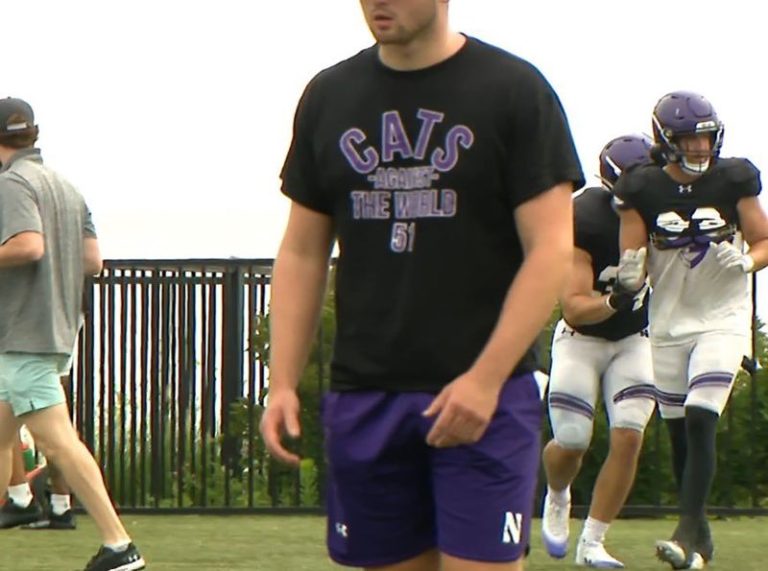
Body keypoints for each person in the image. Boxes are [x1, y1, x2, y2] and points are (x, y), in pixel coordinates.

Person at [259, 1, 584, 570]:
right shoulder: (330, 95)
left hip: (485, 398)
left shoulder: (514, 90)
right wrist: (282, 381)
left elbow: (551, 251)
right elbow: (303, 251)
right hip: (367, 393)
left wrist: (484, 380)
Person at [614, 91, 768, 569]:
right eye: (688, 139)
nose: (700, 148)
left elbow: (764, 240)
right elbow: (633, 261)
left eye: (704, 137)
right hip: (670, 322)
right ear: (665, 141)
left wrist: (746, 261)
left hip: (722, 318)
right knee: (680, 433)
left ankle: (685, 530)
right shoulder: (641, 188)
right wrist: (627, 276)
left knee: (703, 416)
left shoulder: (734, 178)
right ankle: (698, 544)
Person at [0, 97, 145, 571]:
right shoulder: (65, 187)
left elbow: (27, 245)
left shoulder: (12, 183)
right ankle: (19, 501)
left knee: (59, 441)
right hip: (57, 329)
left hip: (24, 334)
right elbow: (92, 262)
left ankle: (120, 546)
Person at [541, 135, 657, 568]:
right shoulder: (584, 218)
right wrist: (614, 300)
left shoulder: (664, 214)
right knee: (571, 441)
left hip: (634, 340)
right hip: (583, 340)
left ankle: (592, 542)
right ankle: (557, 493)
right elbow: (573, 307)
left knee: (629, 434)